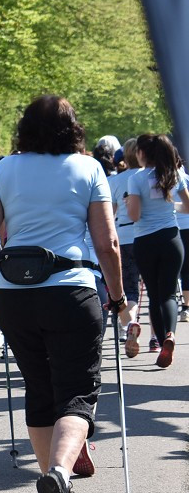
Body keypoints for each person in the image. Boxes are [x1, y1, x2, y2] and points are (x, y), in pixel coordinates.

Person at [0, 95, 124, 493]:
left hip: (16, 294)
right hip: (71, 289)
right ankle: (59, 472)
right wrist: (118, 297)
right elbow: (108, 242)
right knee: (77, 392)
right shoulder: (89, 168)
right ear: (72, 127)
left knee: (38, 389)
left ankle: (51, 489)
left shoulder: (5, 169)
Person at [125, 132, 189, 367]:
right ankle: (171, 334)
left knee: (154, 293)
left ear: (142, 153)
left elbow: (135, 215)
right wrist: (171, 206)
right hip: (172, 239)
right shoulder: (174, 174)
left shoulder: (137, 179)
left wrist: (128, 203)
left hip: (146, 241)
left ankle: (163, 343)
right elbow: (188, 206)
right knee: (169, 294)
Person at [108, 138, 141, 342]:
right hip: (148, 236)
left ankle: (127, 324)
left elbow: (109, 215)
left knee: (129, 287)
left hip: (124, 236)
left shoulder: (115, 181)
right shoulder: (151, 176)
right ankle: (158, 335)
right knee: (155, 289)